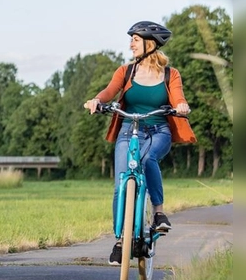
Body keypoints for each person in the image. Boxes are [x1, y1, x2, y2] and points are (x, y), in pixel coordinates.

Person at [83, 21, 196, 265]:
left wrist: (181, 106)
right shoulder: (126, 71)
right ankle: (120, 241)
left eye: (135, 39)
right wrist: (96, 100)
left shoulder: (170, 74)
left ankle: (158, 213)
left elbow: (178, 97)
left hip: (158, 130)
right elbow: (109, 91)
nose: (130, 43)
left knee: (147, 159)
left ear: (150, 43)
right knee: (121, 182)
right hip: (128, 129)